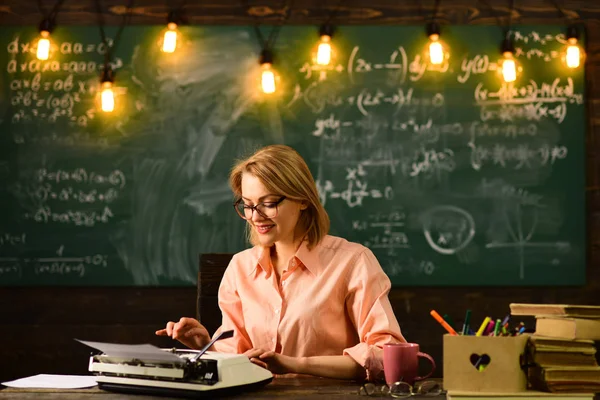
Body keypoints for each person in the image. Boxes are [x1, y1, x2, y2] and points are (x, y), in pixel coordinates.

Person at [156, 144, 406, 380]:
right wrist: (204, 345)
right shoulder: (240, 267)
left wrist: (295, 364)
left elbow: (391, 355)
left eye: (269, 203)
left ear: (303, 200)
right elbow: (238, 359)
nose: (256, 217)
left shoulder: (352, 262)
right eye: (248, 205)